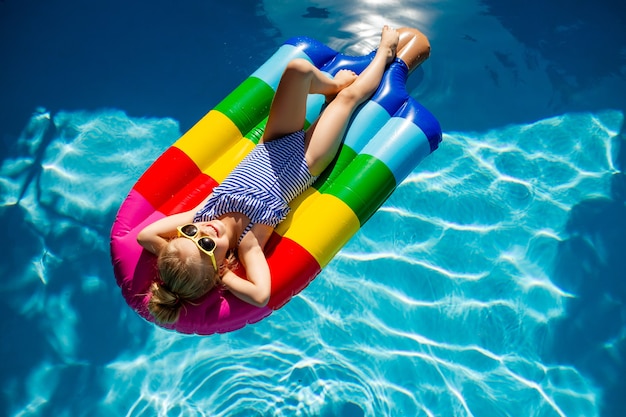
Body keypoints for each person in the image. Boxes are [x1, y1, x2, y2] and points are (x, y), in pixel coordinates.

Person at [137, 26, 431, 324]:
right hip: (307, 160)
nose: (203, 233)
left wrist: (174, 252)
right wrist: (223, 279)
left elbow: (145, 235)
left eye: (190, 234)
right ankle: (385, 53)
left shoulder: (202, 214)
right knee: (349, 98)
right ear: (220, 263)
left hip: (273, 141)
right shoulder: (248, 243)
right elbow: (260, 294)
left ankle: (329, 86)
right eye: (207, 246)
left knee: (298, 69)